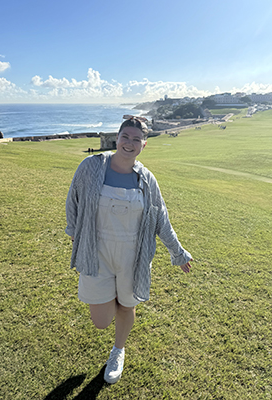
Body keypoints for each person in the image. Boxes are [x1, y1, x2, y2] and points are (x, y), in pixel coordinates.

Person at [65, 115, 193, 384]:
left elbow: (161, 219)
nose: (129, 143)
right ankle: (116, 298)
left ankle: (118, 351)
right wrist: (76, 234)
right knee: (101, 320)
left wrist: (178, 252)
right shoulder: (91, 166)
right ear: (117, 138)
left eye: (136, 139)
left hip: (133, 257)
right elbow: (73, 199)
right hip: (96, 253)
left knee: (126, 305)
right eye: (126, 137)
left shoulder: (147, 180)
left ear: (143, 145)